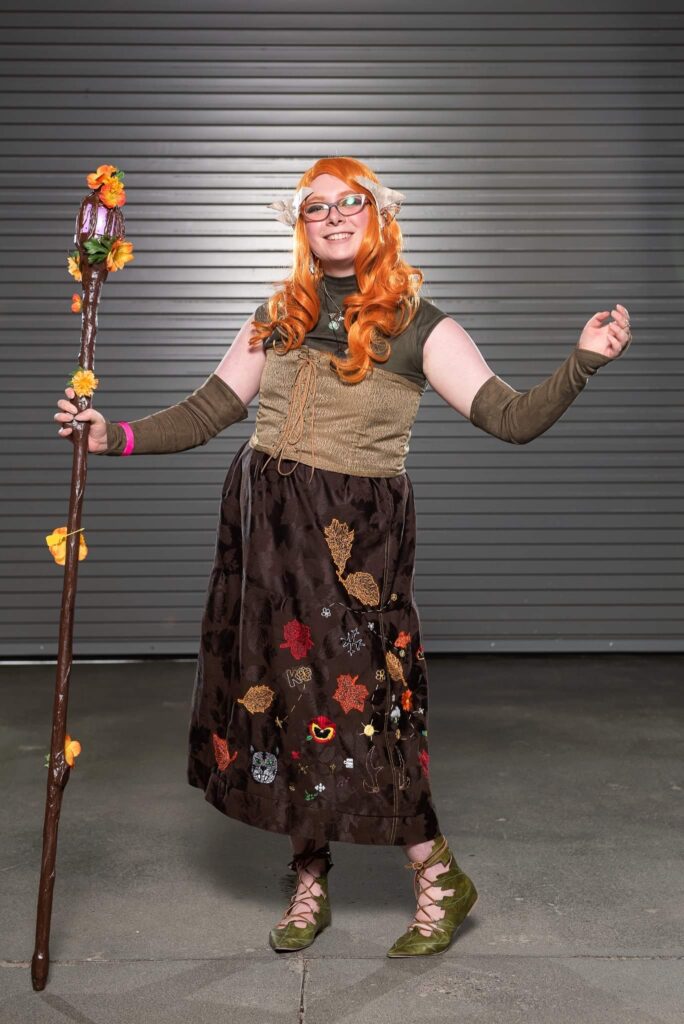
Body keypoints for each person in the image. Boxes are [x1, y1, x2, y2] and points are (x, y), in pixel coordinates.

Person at [54, 156, 632, 958]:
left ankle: (438, 877)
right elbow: (207, 410)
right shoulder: (275, 316)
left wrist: (581, 364)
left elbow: (511, 418)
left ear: (378, 215)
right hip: (265, 532)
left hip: (353, 538)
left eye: (348, 201)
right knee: (283, 701)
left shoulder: (422, 326)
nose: (332, 216)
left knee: (364, 707)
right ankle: (309, 880)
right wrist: (108, 434)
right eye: (315, 205)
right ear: (300, 224)